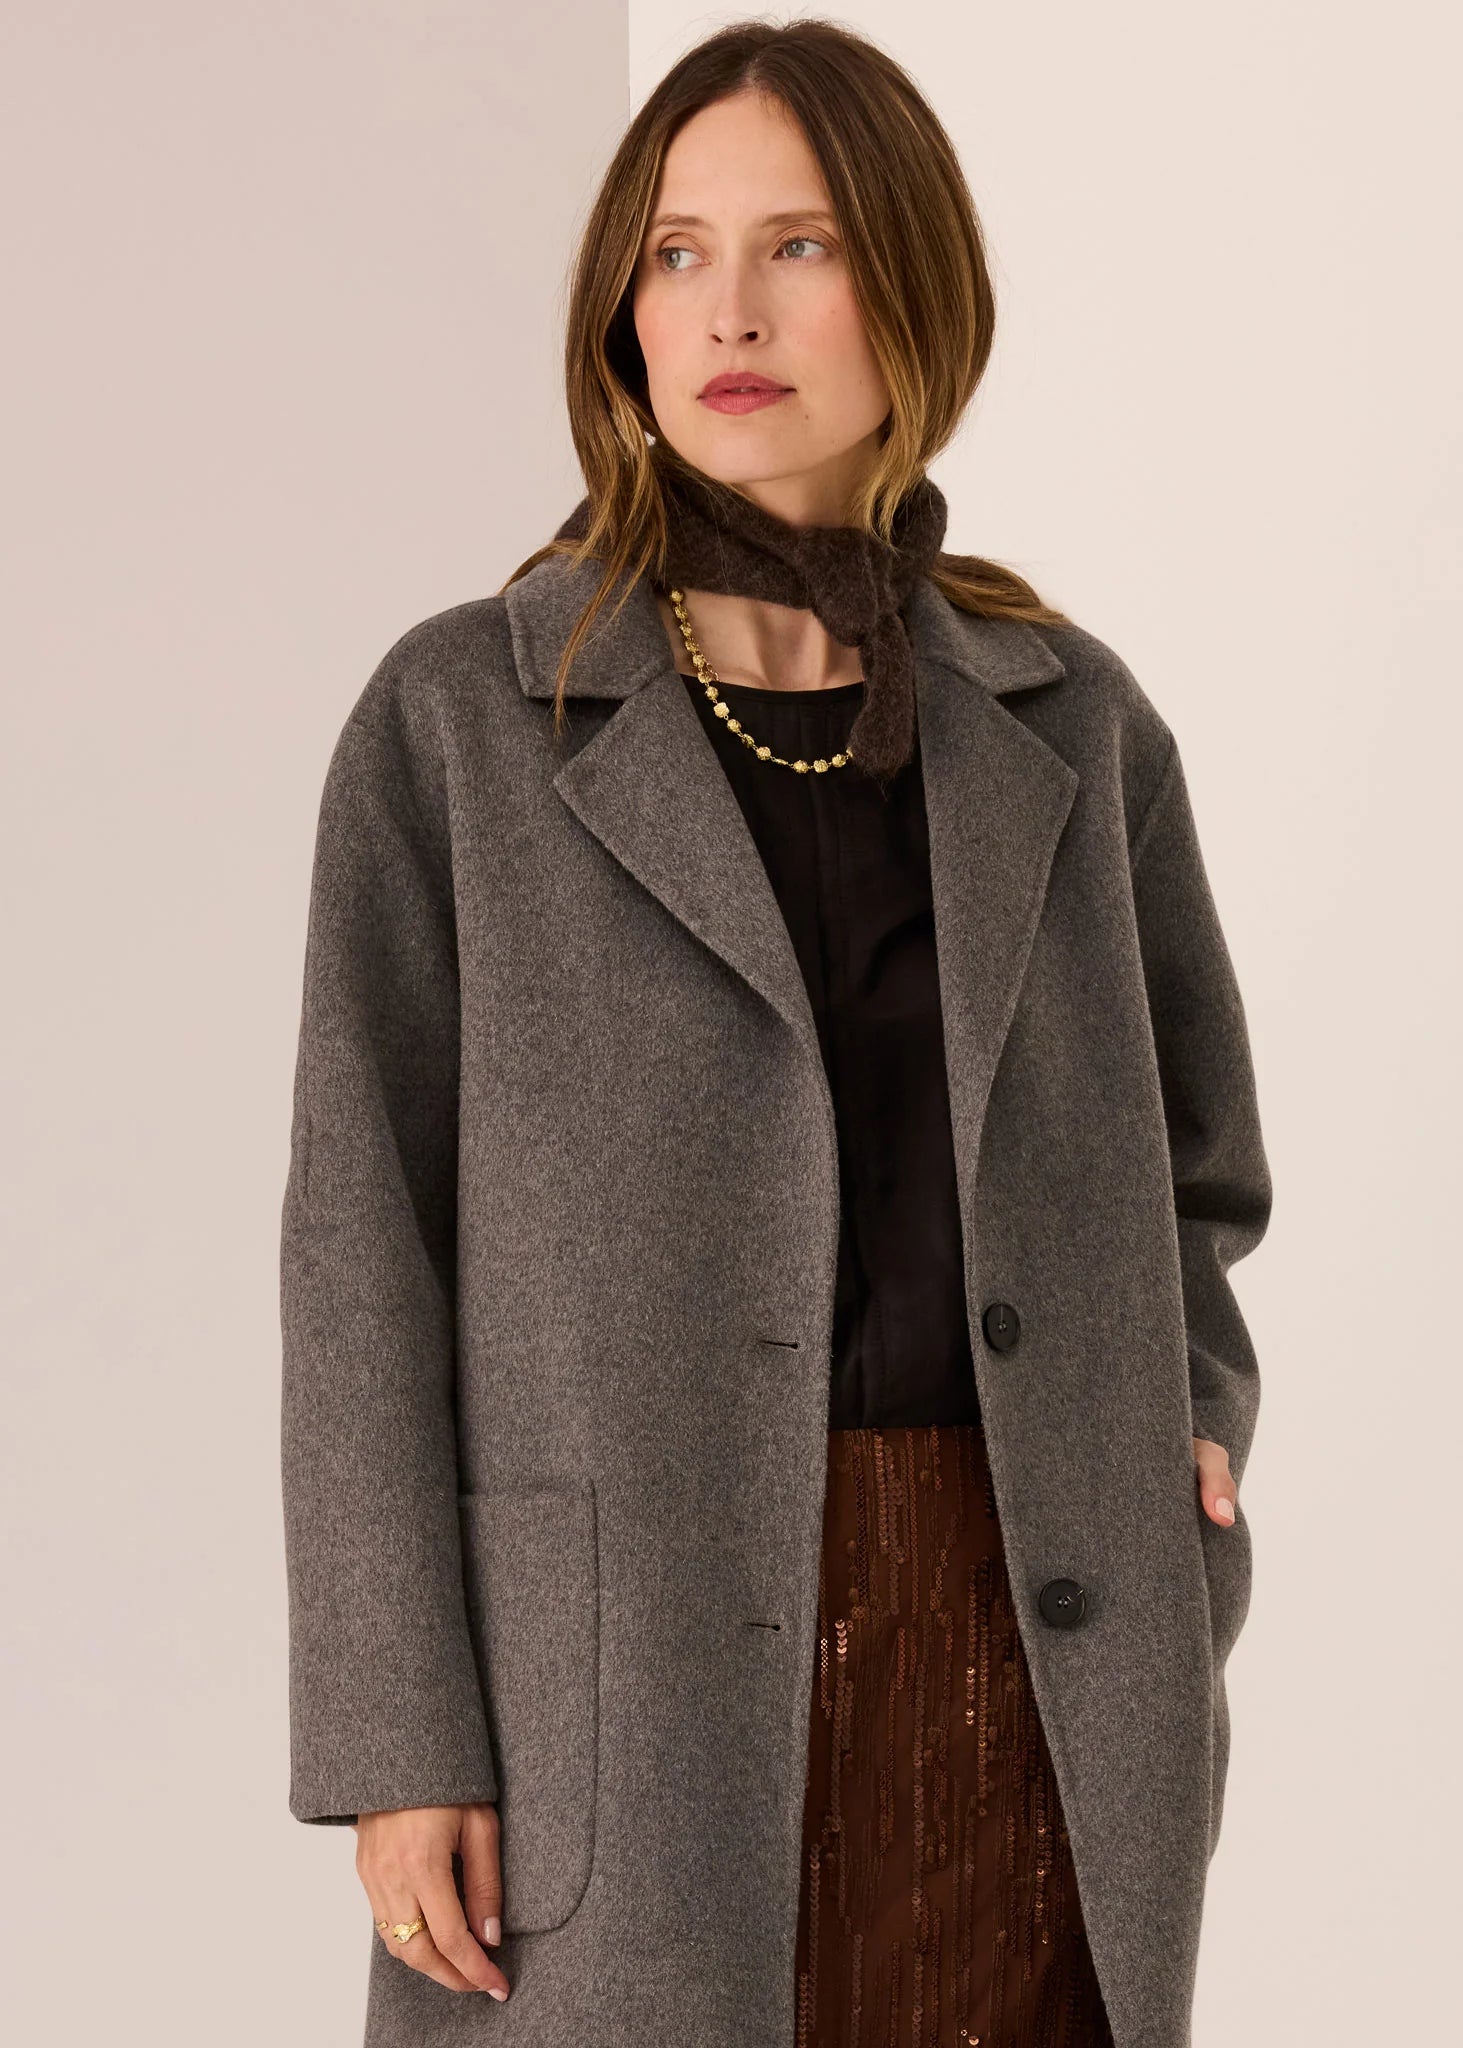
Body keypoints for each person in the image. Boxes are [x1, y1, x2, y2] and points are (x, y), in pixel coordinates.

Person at [280, 19, 1272, 2048]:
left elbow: (1197, 1165)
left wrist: (1188, 1413)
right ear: (621, 312)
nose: (727, 308)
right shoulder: (460, 725)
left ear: (916, 290)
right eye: (676, 252)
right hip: (627, 1678)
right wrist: (396, 1731)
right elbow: (359, 1257)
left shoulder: (1070, 722)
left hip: (1029, 1643)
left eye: (799, 245)